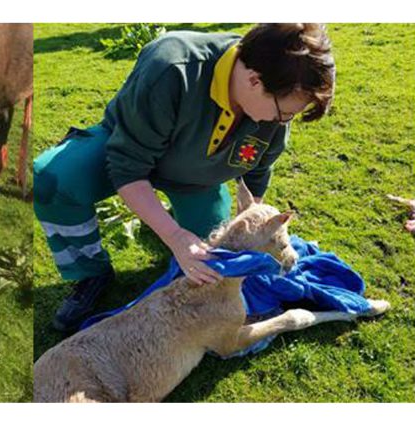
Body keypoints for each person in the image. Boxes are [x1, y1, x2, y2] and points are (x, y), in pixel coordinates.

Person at [34, 23, 336, 332]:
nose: (283, 122)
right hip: (126, 150)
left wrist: (251, 218)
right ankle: (90, 272)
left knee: (213, 263)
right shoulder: (172, 68)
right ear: (254, 80)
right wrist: (176, 237)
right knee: (51, 180)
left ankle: (164, 219)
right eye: (283, 114)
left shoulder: (275, 101)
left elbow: (257, 168)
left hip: (196, 180)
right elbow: (128, 167)